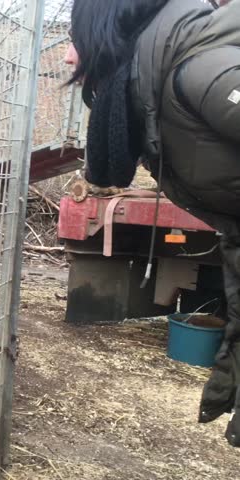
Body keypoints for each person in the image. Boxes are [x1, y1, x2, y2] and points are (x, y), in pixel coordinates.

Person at [63, 0, 240, 447]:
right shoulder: (150, 84)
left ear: (104, 31)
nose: (68, 56)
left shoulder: (200, 68)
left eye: (73, 38)